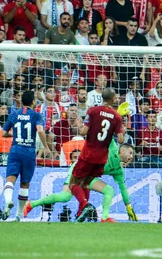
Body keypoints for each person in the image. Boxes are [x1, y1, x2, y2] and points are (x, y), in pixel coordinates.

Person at [24, 139, 138, 222]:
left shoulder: (119, 171)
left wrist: (128, 206)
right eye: (130, 153)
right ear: (122, 150)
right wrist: (117, 114)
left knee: (109, 190)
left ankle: (104, 217)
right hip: (79, 168)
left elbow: (123, 188)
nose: (132, 156)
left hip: (89, 176)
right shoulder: (113, 148)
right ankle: (31, 204)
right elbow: (109, 129)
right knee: (65, 197)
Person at [69, 88, 125, 222]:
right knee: (86, 183)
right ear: (113, 99)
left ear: (101, 97)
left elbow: (83, 132)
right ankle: (80, 214)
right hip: (101, 158)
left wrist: (80, 125)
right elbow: (121, 140)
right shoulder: (117, 117)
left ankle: (85, 205)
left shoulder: (92, 111)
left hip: (88, 154)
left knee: (73, 183)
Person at [1, 90, 50, 221]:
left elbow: (3, 133)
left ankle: (7, 201)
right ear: (33, 102)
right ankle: (17, 216)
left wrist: (16, 134)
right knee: (25, 184)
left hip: (15, 150)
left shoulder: (14, 114)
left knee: (10, 180)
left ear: (21, 101)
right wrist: (46, 146)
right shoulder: (36, 115)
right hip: (29, 152)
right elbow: (40, 130)